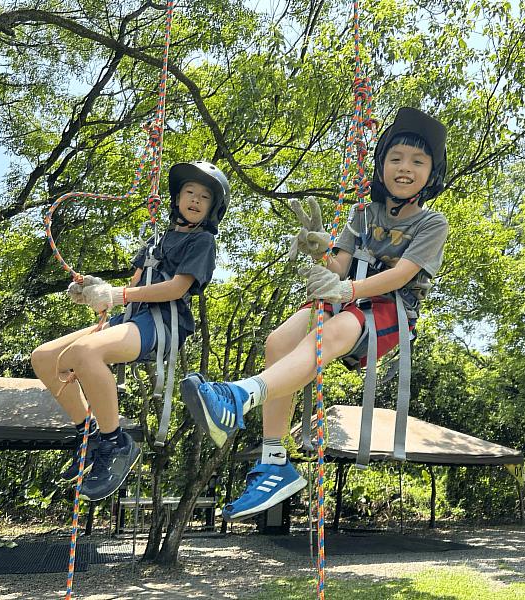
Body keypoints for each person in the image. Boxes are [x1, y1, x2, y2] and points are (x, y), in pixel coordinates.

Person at [180, 107, 450, 521]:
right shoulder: (363, 214)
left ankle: (238, 396)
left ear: (431, 174)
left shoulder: (433, 223)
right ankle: (274, 461)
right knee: (278, 342)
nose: (405, 168)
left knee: (330, 332)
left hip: (386, 309)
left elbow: (401, 275)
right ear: (381, 167)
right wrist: (321, 250)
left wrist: (347, 288)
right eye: (396, 158)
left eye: (417, 161)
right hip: (347, 296)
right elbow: (338, 267)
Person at [31, 161, 229, 501]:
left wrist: (119, 295)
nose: (195, 199)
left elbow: (175, 289)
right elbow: (135, 284)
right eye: (189, 192)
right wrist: (95, 291)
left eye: (204, 196)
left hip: (162, 323)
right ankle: (89, 434)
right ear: (178, 198)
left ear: (212, 208)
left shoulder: (202, 243)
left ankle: (116, 443)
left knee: (85, 353)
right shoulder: (156, 240)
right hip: (131, 317)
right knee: (45, 358)